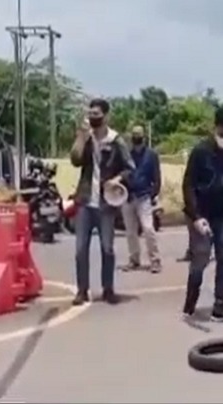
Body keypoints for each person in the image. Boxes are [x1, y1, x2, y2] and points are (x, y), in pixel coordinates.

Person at [69, 98, 135, 306]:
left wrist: (117, 179)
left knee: (107, 248)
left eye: (97, 115)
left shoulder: (116, 141)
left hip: (106, 203)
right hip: (85, 200)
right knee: (81, 249)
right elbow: (75, 160)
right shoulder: (87, 138)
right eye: (90, 114)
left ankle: (108, 289)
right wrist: (81, 138)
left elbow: (130, 168)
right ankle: (82, 290)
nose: (93, 118)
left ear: (106, 116)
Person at [182, 107, 223, 322]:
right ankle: (191, 301)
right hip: (201, 214)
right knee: (201, 259)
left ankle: (221, 305)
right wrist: (196, 216)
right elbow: (188, 185)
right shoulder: (200, 151)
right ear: (215, 127)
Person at [120, 124, 163, 274]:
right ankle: (134, 259)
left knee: (148, 228)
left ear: (143, 137)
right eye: (134, 136)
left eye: (138, 136)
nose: (136, 139)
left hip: (144, 196)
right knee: (130, 231)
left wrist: (153, 195)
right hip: (128, 196)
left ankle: (155, 260)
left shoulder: (151, 155)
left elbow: (157, 177)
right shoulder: (127, 155)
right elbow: (122, 174)